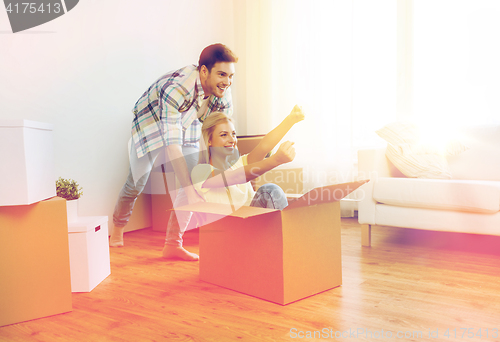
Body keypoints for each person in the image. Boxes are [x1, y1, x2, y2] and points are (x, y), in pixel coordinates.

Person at [109, 43, 238, 262]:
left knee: (191, 182)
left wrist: (229, 174)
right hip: (150, 124)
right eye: (222, 74)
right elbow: (172, 145)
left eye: (230, 76)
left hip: (186, 123)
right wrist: (189, 189)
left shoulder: (222, 91)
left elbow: (221, 133)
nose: (227, 81)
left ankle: (173, 245)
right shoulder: (176, 88)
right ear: (204, 71)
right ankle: (118, 227)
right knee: (136, 184)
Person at [190, 105, 304, 212]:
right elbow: (236, 177)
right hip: (229, 229)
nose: (232, 139)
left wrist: (290, 120)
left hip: (252, 225)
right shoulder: (200, 172)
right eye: (224, 135)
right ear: (209, 140)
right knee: (269, 190)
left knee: (271, 191)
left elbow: (264, 146)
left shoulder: (239, 164)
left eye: (233, 134)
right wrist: (276, 160)